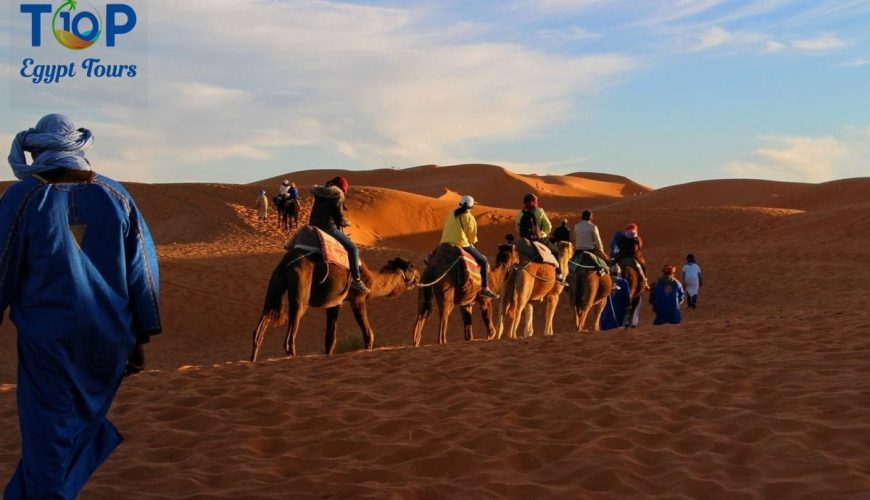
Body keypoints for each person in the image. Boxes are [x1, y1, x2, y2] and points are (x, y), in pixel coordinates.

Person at [0, 114, 161, 499]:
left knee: (49, 436)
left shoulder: (23, 199)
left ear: (37, 150)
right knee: (71, 429)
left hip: (49, 342)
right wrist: (140, 336)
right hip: (108, 341)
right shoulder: (116, 195)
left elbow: (1, 264)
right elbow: (143, 272)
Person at [309, 176, 369, 293]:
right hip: (327, 227)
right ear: (343, 188)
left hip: (313, 226)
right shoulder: (337, 195)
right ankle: (356, 280)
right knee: (353, 249)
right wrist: (346, 222)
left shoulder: (320, 194)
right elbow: (339, 218)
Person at [441, 195, 499, 299]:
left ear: (460, 204)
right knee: (484, 262)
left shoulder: (451, 213)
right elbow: (472, 238)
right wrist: (472, 243)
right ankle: (485, 289)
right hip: (461, 244)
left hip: (444, 242)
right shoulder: (469, 218)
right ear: (471, 207)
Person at [516, 193, 565, 284]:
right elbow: (548, 227)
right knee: (556, 252)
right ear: (532, 202)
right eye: (536, 201)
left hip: (525, 240)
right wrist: (542, 234)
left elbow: (518, 229)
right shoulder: (540, 211)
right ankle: (559, 276)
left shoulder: (520, 214)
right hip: (540, 239)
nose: (537, 202)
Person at [616, 223, 649, 288]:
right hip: (633, 257)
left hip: (622, 256)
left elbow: (619, 245)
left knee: (613, 265)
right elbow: (640, 247)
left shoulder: (622, 237)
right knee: (643, 266)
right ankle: (645, 282)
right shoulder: (637, 238)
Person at [600, 264, 631, 331]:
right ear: (619, 273)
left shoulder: (606, 282)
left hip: (605, 316)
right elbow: (627, 299)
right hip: (618, 313)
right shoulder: (624, 283)